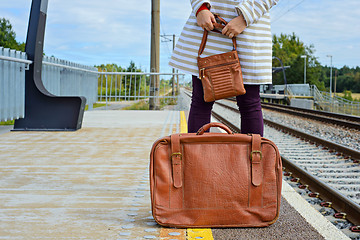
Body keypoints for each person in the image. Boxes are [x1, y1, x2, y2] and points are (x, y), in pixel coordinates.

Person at [169, 0, 279, 136]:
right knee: (202, 99)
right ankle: (195, 156)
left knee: (249, 102)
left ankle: (253, 157)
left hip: (248, 27)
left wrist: (245, 17)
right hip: (208, 22)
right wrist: (200, 7)